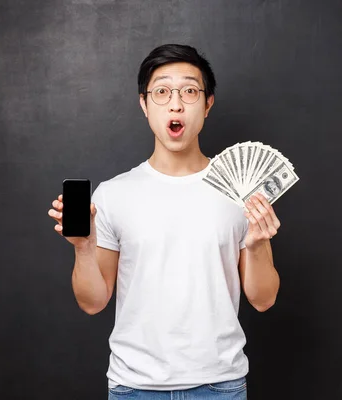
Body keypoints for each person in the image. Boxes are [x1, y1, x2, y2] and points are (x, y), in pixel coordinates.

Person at [47, 44, 282, 399]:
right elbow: (92, 302)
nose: (175, 103)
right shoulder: (113, 195)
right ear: (144, 105)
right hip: (134, 388)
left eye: (189, 91)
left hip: (220, 386)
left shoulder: (239, 192)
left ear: (207, 104)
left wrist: (260, 242)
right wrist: (83, 247)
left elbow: (263, 299)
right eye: (161, 92)